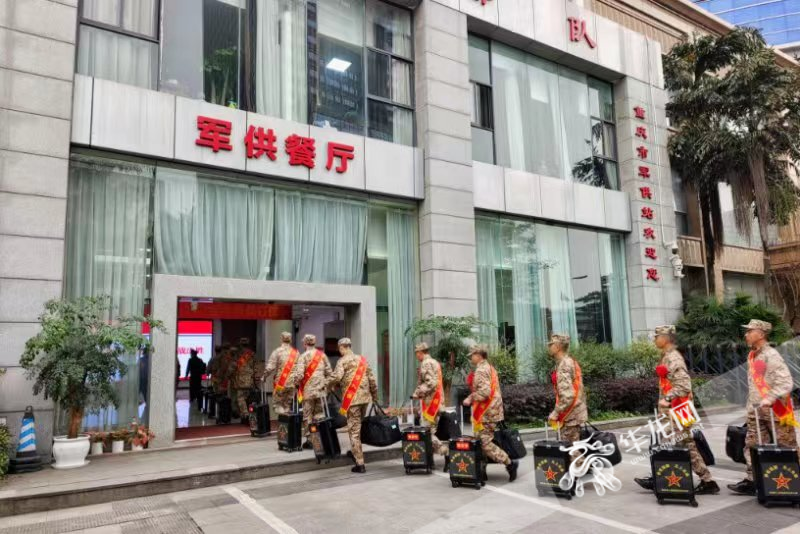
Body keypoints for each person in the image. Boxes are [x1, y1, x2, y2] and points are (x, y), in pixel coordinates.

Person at [635, 325, 719, 495]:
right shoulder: (667, 356)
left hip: (678, 409)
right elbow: (668, 384)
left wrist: (666, 399)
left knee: (679, 445)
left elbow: (684, 385)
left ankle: (702, 480)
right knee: (677, 444)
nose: (654, 339)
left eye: (657, 336)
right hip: (675, 409)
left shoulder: (673, 358)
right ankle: (665, 477)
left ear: (666, 338)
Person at [729, 319, 798, 495]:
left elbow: (785, 383)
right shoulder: (753, 355)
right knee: (752, 446)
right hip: (756, 411)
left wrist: (770, 398)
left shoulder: (771, 355)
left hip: (775, 411)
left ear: (760, 334)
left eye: (749, 331)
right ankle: (753, 481)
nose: (746, 334)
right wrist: (751, 407)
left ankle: (795, 481)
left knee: (787, 447)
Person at [463, 344, 519, 482]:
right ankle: (482, 471)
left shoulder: (481, 370)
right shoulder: (489, 367)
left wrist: (470, 398)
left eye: (472, 355)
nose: (471, 358)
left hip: (486, 413)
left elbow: (485, 392)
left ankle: (509, 463)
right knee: (480, 441)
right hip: (490, 411)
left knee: (484, 443)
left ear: (478, 355)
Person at [328, 337, 378, 473]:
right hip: (364, 399)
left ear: (342, 347)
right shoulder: (362, 359)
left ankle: (360, 463)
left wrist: (327, 384)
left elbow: (337, 377)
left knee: (354, 431)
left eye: (340, 349)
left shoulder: (342, 361)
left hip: (353, 401)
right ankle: (355, 451)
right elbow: (372, 379)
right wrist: (375, 397)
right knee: (358, 427)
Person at [546, 334, 588, 465]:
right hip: (575, 412)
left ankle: (581, 471)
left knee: (570, 449)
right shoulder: (570, 361)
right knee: (572, 447)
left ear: (558, 347)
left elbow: (568, 395)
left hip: (571, 415)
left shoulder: (564, 365)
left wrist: (556, 413)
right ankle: (577, 475)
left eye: (551, 344)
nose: (549, 347)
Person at [411, 342, 449, 466]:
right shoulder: (435, 362)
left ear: (421, 352)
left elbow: (431, 383)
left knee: (427, 432)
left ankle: (445, 451)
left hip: (431, 404)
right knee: (431, 431)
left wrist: (417, 392)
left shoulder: (426, 363)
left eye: (417, 353)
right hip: (437, 401)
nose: (416, 356)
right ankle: (430, 460)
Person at [292, 334, 332, 450]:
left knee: (307, 415)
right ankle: (320, 437)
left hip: (308, 391)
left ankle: (310, 440)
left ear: (305, 344)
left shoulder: (303, 357)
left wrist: (295, 384)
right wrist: (326, 386)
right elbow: (329, 373)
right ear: (314, 343)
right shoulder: (322, 355)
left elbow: (299, 375)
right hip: (321, 391)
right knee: (320, 414)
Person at [263, 332, 300, 416]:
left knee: (278, 406)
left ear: (281, 339)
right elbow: (300, 368)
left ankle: (282, 426)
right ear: (290, 340)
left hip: (281, 384)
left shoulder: (277, 352)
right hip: (292, 384)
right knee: (287, 406)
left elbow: (270, 367)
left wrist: (264, 376)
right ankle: (286, 427)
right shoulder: (296, 353)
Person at [232, 338, 256, 424]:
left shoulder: (238, 355)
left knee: (240, 398)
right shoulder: (252, 354)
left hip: (240, 381)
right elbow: (256, 367)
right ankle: (251, 414)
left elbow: (233, 366)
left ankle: (245, 415)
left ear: (240, 345)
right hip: (250, 380)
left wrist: (229, 375)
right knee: (248, 398)